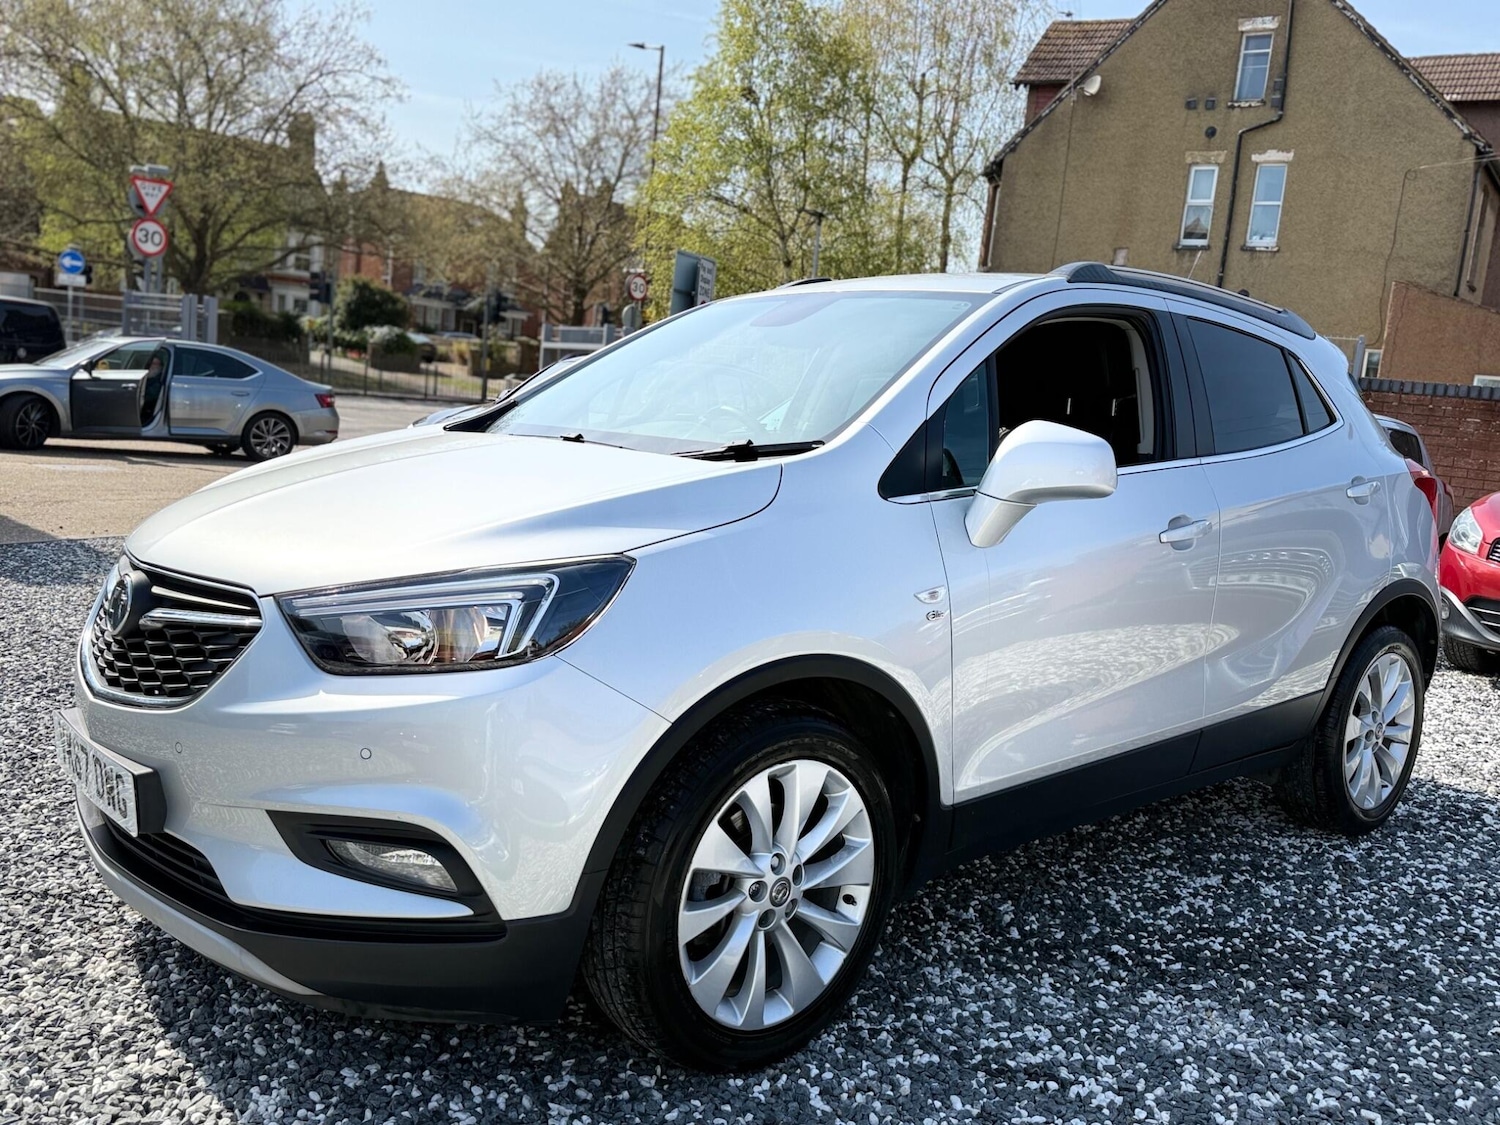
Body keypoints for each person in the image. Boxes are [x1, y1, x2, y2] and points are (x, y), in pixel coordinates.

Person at [140, 350, 168, 424]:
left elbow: (148, 396)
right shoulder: (146, 378)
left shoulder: (159, 381)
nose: (151, 367)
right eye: (150, 364)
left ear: (161, 366)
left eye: (155, 364)